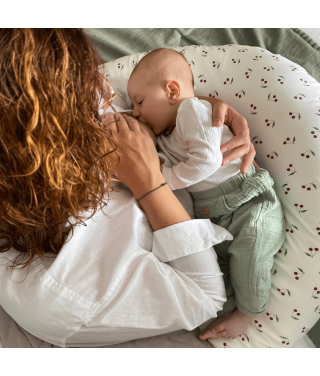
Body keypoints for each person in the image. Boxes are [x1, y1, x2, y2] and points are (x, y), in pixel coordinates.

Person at [0, 29, 256, 347]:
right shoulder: (59, 292)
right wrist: (149, 182)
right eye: (82, 86)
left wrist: (203, 111)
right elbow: (203, 296)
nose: (105, 88)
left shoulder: (85, 105)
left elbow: (156, 88)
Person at [127, 48, 286, 340]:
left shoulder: (192, 111)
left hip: (248, 201)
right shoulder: (166, 133)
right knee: (222, 269)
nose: (136, 111)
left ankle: (250, 312)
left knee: (251, 250)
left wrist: (164, 180)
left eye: (140, 101)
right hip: (215, 212)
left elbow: (206, 161)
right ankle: (224, 310)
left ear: (172, 90)